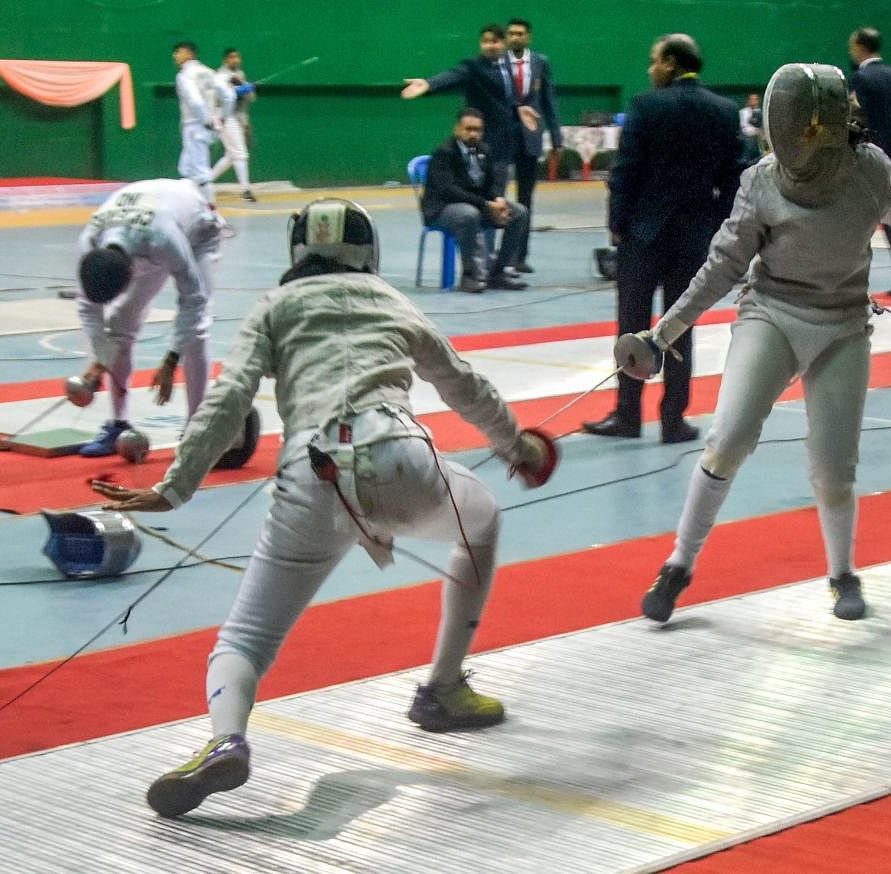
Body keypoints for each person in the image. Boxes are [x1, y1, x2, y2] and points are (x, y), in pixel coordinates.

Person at [91, 198, 555, 819]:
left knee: (245, 636)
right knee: (483, 517)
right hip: (399, 457)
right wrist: (513, 443)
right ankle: (443, 687)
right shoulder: (391, 300)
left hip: (310, 477)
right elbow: (462, 382)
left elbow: (229, 396)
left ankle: (227, 737)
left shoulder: (275, 306)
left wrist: (176, 486)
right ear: (368, 249)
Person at [610, 63, 891, 625]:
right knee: (726, 439)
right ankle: (679, 563)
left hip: (843, 326)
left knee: (833, 466)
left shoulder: (869, 170)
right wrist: (662, 333)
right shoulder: (762, 181)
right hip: (772, 315)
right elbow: (722, 266)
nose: (793, 136)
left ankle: (843, 574)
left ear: (824, 123)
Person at [583, 34, 744, 445]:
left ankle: (628, 415)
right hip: (695, 236)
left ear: (671, 63)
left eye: (654, 61)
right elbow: (735, 178)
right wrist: (718, 227)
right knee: (679, 328)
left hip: (644, 233)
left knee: (632, 326)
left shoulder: (645, 105)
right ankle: (674, 421)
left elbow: (626, 171)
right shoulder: (725, 110)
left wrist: (617, 225)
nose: (650, 68)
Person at [75, 178, 224, 457]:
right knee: (120, 321)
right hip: (143, 229)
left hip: (198, 230)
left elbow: (193, 299)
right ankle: (118, 424)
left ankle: (196, 431)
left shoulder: (162, 239)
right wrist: (100, 361)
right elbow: (87, 307)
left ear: (132, 273)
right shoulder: (90, 240)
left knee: (196, 332)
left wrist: (171, 361)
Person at [402, 24, 523, 198]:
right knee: (483, 194)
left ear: (503, 43)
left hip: (506, 144)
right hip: (482, 142)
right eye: (485, 41)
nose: (489, 45)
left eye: (494, 41)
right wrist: (429, 84)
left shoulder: (509, 67)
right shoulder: (473, 66)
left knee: (499, 195)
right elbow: (453, 75)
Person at [420, 108, 530, 292]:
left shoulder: (484, 150)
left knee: (519, 212)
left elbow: (493, 181)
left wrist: (498, 200)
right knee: (469, 215)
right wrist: (485, 205)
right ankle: (470, 276)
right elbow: (449, 191)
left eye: (478, 130)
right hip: (442, 209)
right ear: (457, 129)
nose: (473, 134)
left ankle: (498, 272)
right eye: (468, 129)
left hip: (478, 204)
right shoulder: (444, 153)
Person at [848, 27, 891, 297]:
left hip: (867, 158)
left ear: (860, 47)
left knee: (853, 221)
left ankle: (850, 281)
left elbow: (855, 119)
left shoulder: (860, 78)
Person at [502, 18, 562, 273]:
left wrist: (556, 138)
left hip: (530, 137)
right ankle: (496, 258)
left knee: (525, 199)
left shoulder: (540, 63)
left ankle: (520, 256)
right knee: (495, 197)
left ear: (528, 37)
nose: (515, 37)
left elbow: (548, 101)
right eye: (512, 34)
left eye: (520, 34)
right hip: (501, 138)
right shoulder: (498, 63)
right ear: (507, 37)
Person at [173, 41, 231, 203]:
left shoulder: (184, 76)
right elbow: (229, 96)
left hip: (194, 126)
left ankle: (211, 214)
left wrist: (206, 120)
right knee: (186, 169)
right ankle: (190, 206)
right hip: (208, 127)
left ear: (188, 53)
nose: (175, 56)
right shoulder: (209, 72)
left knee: (200, 173)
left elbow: (195, 101)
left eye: (178, 52)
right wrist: (222, 118)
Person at [212, 48, 256, 202]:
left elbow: (250, 99)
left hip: (236, 117)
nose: (235, 60)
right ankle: (246, 190)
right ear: (226, 60)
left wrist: (248, 89)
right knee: (240, 152)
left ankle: (204, 182)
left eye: (237, 57)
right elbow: (220, 97)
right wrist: (237, 90)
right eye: (232, 57)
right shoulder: (220, 76)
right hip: (224, 115)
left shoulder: (240, 75)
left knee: (231, 155)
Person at [740, 92, 763, 164]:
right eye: (752, 99)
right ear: (749, 101)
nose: (755, 101)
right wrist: (757, 131)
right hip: (747, 142)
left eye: (756, 99)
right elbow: (745, 129)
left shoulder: (759, 112)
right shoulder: (743, 112)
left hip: (758, 142)